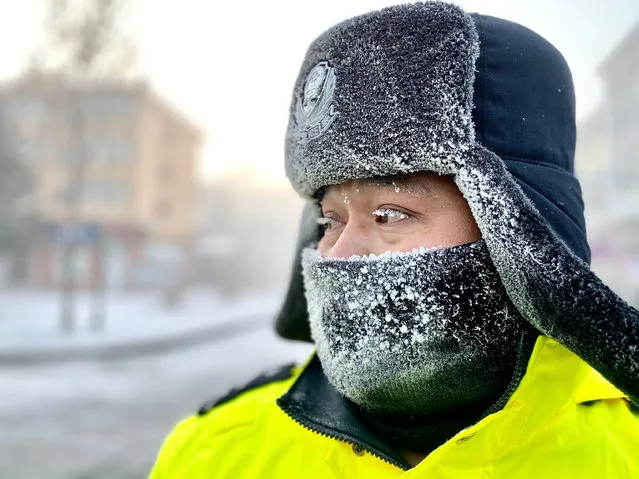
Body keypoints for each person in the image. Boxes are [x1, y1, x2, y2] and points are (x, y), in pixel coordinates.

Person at [150, 3, 639, 477]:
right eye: (329, 221)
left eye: (389, 214)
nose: (338, 254)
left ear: (521, 233)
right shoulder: (211, 454)